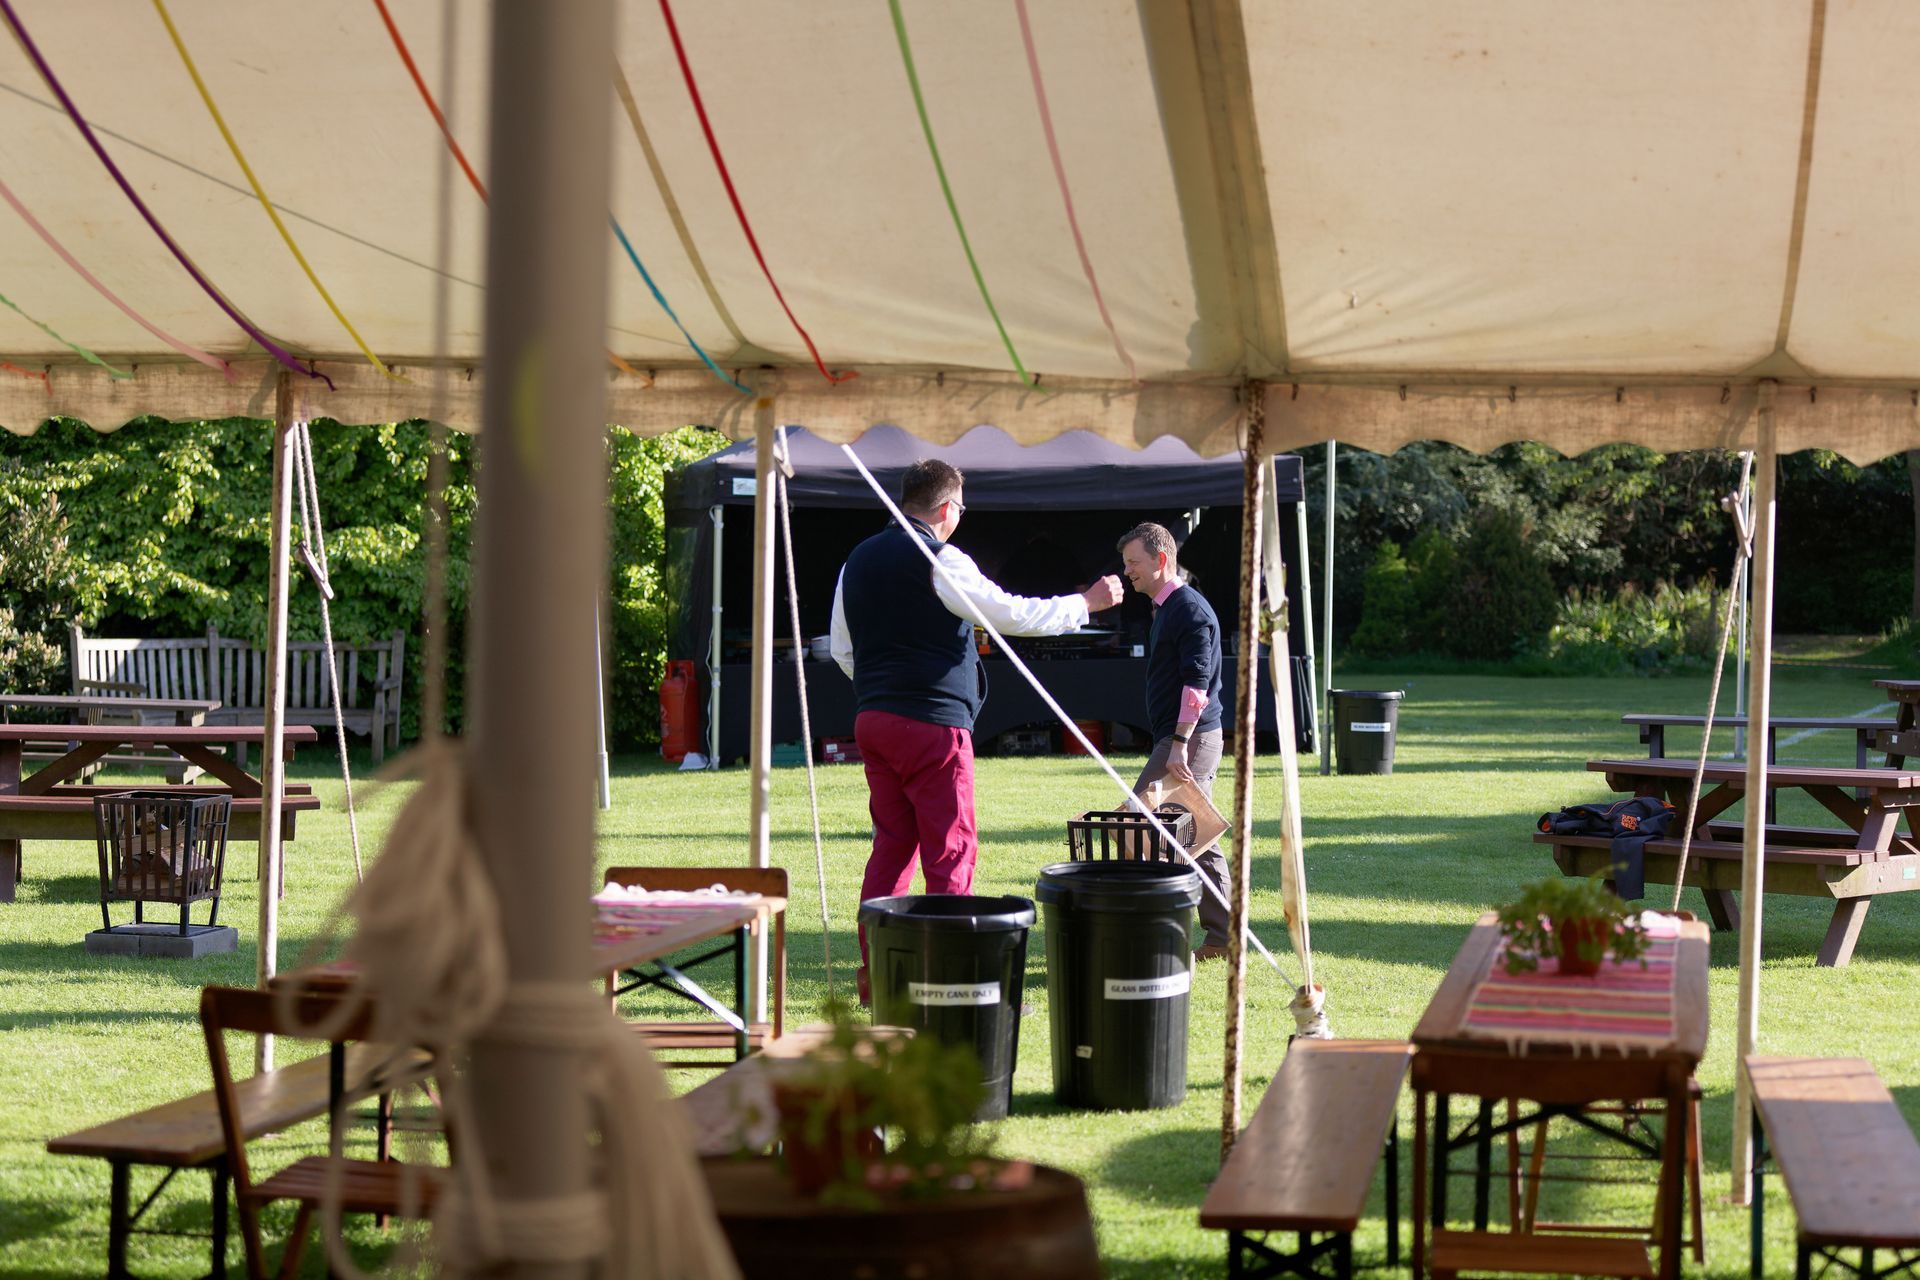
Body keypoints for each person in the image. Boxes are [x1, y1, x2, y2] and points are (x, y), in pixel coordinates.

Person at [832, 459, 1124, 1003]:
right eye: (960, 509)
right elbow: (1007, 614)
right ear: (946, 509)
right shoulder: (940, 558)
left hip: (874, 718)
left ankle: (879, 976)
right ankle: (945, 974)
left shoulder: (856, 561)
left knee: (892, 848)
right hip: (933, 725)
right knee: (949, 849)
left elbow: (844, 649)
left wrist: (885, 688)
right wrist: (1084, 604)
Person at [1117, 521, 1229, 961]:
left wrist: (1180, 742)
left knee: (1142, 821)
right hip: (1182, 737)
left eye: (1134, 563)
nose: (1128, 572)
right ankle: (1221, 938)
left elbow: (1196, 686)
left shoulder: (1188, 610)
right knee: (1196, 832)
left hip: (1191, 738)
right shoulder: (1168, 607)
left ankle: (1147, 931)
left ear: (1161, 560)